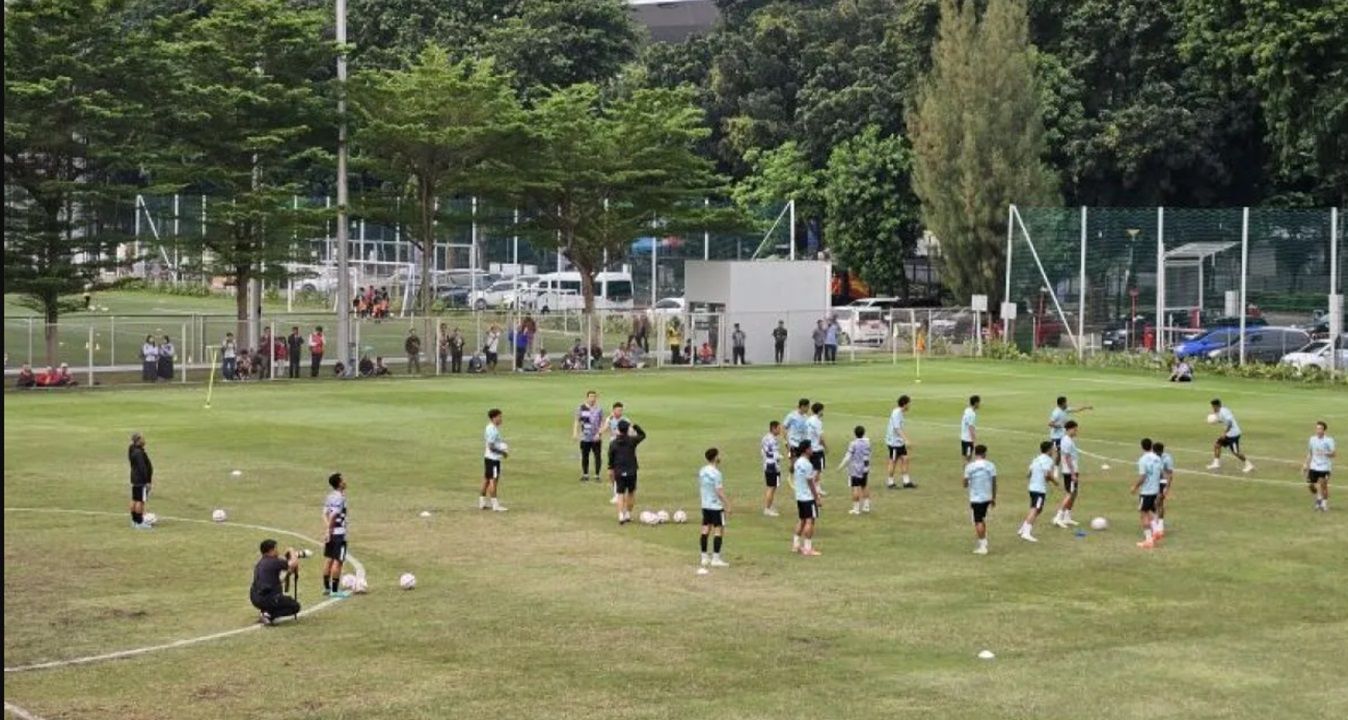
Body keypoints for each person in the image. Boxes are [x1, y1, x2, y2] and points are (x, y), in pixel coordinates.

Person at [250, 539, 301, 625]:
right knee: (295, 606)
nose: (278, 550)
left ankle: (265, 611)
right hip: (268, 598)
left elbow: (278, 579)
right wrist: (292, 551)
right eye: (276, 548)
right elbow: (294, 563)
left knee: (279, 599)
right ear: (271, 550)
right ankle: (269, 615)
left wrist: (288, 573)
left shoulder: (261, 563)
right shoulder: (274, 561)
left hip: (255, 597)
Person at [607, 419, 647, 525]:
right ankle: (628, 514)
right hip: (631, 470)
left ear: (618, 429)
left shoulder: (613, 443)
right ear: (627, 429)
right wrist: (634, 426)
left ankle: (621, 515)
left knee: (620, 494)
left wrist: (610, 469)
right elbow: (643, 435)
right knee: (631, 492)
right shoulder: (632, 440)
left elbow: (610, 458)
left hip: (619, 471)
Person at [698, 448, 731, 571]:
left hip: (705, 505)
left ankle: (704, 556)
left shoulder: (702, 471)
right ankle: (716, 559)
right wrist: (727, 504)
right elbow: (719, 491)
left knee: (705, 529)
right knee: (718, 531)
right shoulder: (717, 474)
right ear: (715, 457)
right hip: (716, 506)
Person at [1019, 441, 1057, 542]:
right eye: (1052, 449)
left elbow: (1028, 473)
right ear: (1049, 450)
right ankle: (1026, 533)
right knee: (1035, 509)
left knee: (1037, 509)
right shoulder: (1048, 460)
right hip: (1039, 489)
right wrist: (1055, 482)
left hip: (1032, 488)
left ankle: (1023, 527)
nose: (1054, 450)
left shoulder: (1036, 459)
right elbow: (1047, 474)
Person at [321, 473, 351, 598]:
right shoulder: (341, 498)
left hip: (332, 533)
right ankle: (334, 590)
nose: (345, 481)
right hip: (339, 533)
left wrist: (328, 530)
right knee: (338, 561)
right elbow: (334, 515)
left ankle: (327, 588)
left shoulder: (330, 497)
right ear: (339, 483)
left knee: (329, 558)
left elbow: (324, 514)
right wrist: (330, 529)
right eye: (343, 480)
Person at [789, 442, 822, 556]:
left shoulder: (798, 462)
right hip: (808, 497)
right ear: (806, 450)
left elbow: (791, 470)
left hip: (799, 496)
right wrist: (816, 497)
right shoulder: (807, 464)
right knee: (810, 521)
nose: (812, 449)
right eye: (810, 448)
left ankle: (796, 544)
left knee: (802, 520)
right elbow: (810, 483)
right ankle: (808, 548)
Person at [964, 444, 997, 555]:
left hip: (976, 498)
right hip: (987, 497)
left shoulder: (970, 467)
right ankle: (984, 539)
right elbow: (994, 482)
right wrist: (993, 497)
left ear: (975, 453)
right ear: (984, 453)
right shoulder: (991, 465)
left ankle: (982, 546)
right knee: (982, 518)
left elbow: (964, 483)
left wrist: (969, 481)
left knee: (977, 521)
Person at [1131, 438, 1164, 549]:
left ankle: (1149, 540)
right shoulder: (1158, 458)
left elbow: (1143, 476)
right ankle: (1157, 530)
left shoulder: (1143, 460)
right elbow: (1160, 474)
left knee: (1143, 514)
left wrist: (1135, 487)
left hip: (1146, 491)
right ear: (1151, 446)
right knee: (1150, 511)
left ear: (1142, 447)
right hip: (1155, 490)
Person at [1207, 398, 1254, 472]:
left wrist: (1224, 433)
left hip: (1233, 434)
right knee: (1217, 445)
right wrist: (1215, 421)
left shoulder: (1224, 411)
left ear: (1217, 406)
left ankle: (1249, 465)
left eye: (1213, 406)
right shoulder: (1218, 412)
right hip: (1229, 434)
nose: (1212, 408)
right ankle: (1216, 463)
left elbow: (1230, 423)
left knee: (1236, 452)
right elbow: (1223, 420)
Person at [1048, 396, 1092, 474]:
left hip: (1063, 436)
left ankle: (1061, 468)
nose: (1066, 404)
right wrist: (1060, 426)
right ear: (1061, 403)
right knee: (1057, 453)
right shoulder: (1056, 413)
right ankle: (1054, 469)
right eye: (1065, 402)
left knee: (1063, 452)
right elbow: (1050, 423)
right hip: (1056, 437)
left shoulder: (1066, 409)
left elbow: (1076, 410)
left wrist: (1086, 407)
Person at [1051, 421, 1082, 529]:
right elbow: (1067, 458)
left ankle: (1067, 516)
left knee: (1074, 493)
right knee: (1070, 493)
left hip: (1072, 470)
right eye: (1075, 429)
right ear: (1069, 429)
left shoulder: (1068, 440)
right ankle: (1058, 517)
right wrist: (1073, 473)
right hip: (1069, 472)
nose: (1076, 431)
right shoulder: (1067, 441)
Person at [838, 425, 872, 515]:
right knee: (864, 486)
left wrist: (841, 466)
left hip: (856, 469)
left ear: (855, 434)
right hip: (865, 468)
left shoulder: (853, 444)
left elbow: (848, 457)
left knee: (855, 487)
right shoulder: (867, 442)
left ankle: (856, 509)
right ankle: (866, 506)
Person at [481, 409, 509, 512]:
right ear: (494, 418)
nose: (501, 419)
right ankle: (495, 505)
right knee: (493, 481)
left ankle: (482, 503)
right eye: (499, 417)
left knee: (486, 480)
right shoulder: (492, 429)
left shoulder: (489, 427)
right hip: (493, 459)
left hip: (488, 458)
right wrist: (503, 452)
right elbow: (491, 446)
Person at [574, 391, 604, 483]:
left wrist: (599, 434)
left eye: (594, 397)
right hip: (585, 436)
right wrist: (575, 432)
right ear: (587, 397)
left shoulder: (599, 409)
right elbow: (577, 421)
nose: (592, 398)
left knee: (597, 456)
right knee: (585, 456)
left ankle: (597, 475)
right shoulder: (581, 408)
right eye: (591, 396)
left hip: (596, 437)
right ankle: (585, 474)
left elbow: (602, 422)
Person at [885, 395, 914, 490]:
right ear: (904, 404)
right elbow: (897, 428)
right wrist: (906, 439)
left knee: (905, 459)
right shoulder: (896, 413)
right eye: (909, 403)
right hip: (894, 443)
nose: (910, 406)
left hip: (899, 442)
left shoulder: (900, 412)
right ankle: (890, 482)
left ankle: (906, 481)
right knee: (893, 461)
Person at [1305, 421, 1335, 511]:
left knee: (1323, 485)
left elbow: (1333, 454)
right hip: (1314, 466)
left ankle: (1324, 504)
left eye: (1320, 429)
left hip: (1325, 467)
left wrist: (1325, 453)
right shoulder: (1312, 439)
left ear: (1324, 430)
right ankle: (1319, 497)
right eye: (1317, 428)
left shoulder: (1329, 440)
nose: (1318, 430)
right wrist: (1305, 464)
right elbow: (1310, 453)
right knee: (1311, 486)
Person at [128, 432, 153, 529]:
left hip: (135, 479)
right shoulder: (138, 453)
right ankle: (139, 522)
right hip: (141, 480)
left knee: (134, 499)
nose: (144, 440)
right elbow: (143, 468)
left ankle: (134, 521)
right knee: (140, 501)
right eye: (142, 439)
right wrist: (147, 481)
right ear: (138, 441)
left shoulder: (133, 449)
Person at [762, 420, 783, 516]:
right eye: (778, 428)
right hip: (773, 466)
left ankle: (769, 506)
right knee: (771, 487)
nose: (780, 430)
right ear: (773, 428)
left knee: (772, 487)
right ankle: (767, 508)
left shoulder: (766, 438)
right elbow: (773, 454)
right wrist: (780, 456)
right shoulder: (773, 440)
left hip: (767, 464)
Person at [1153, 441, 1174, 539]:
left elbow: (1170, 474)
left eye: (1159, 452)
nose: (1157, 454)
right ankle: (1156, 523)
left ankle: (1160, 526)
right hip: (1152, 482)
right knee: (1154, 503)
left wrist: (1167, 487)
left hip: (1162, 482)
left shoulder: (1167, 458)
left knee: (1159, 502)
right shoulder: (1152, 456)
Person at [807, 402, 827, 496]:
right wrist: (826, 447)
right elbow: (820, 437)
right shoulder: (817, 422)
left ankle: (818, 488)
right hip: (817, 449)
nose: (823, 412)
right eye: (822, 410)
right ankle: (813, 489)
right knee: (818, 470)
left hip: (810, 448)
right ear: (819, 411)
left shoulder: (809, 419)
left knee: (814, 469)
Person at [783, 398, 811, 463]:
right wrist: (786, 442)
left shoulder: (806, 417)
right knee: (793, 464)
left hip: (802, 445)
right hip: (792, 444)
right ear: (802, 406)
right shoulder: (792, 416)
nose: (808, 409)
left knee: (801, 464)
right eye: (807, 407)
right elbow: (784, 427)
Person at [961, 395, 980, 460]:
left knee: (966, 458)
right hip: (968, 440)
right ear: (976, 403)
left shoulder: (967, 410)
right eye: (978, 403)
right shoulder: (972, 414)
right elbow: (971, 428)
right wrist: (974, 441)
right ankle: (967, 470)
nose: (979, 404)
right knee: (968, 458)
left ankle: (965, 470)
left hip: (964, 438)